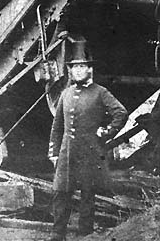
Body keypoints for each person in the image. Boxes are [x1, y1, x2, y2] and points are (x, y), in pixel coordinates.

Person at [48, 40, 127, 241]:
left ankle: (85, 234)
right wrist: (54, 152)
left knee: (87, 194)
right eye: (75, 67)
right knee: (60, 192)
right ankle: (58, 234)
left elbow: (121, 113)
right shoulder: (65, 94)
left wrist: (106, 132)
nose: (78, 70)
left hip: (89, 152)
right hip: (67, 152)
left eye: (82, 66)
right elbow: (57, 126)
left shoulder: (100, 92)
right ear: (70, 71)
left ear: (89, 69)